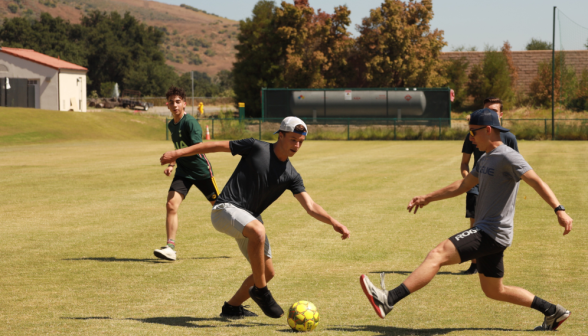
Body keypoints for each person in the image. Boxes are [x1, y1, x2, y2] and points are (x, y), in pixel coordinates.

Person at [360, 108, 573, 331]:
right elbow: (463, 185)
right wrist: (428, 197)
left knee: (438, 254)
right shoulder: (485, 158)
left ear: (488, 130)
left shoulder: (509, 156)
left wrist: (559, 209)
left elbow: (536, 181)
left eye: (473, 133)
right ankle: (553, 312)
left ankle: (389, 299)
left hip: (491, 232)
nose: (470, 139)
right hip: (493, 233)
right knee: (494, 290)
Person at [160, 116, 350, 319]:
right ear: (281, 135)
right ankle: (261, 292)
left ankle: (231, 308)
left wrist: (333, 221)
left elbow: (310, 206)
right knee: (258, 231)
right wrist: (177, 153)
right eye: (293, 139)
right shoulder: (255, 147)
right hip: (225, 209)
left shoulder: (291, 175)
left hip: (248, 219)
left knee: (267, 273)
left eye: (300, 142)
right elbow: (215, 146)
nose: (296, 145)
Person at [154, 86, 219, 261]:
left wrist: (174, 155)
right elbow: (180, 148)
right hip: (183, 172)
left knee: (221, 209)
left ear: (184, 104)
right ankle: (171, 248)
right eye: (171, 102)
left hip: (200, 171)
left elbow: (198, 147)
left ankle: (246, 230)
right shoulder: (171, 124)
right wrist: (173, 164)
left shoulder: (190, 122)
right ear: (167, 105)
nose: (175, 105)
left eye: (178, 102)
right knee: (171, 205)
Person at [460, 97, 518, 274]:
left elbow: (516, 168)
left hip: (495, 188)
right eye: (486, 110)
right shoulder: (473, 134)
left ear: (500, 114)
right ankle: (474, 264)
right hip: (475, 185)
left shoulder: (509, 138)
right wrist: (469, 182)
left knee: (492, 226)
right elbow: (464, 163)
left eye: (493, 111)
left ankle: (491, 262)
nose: (489, 114)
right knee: (474, 225)